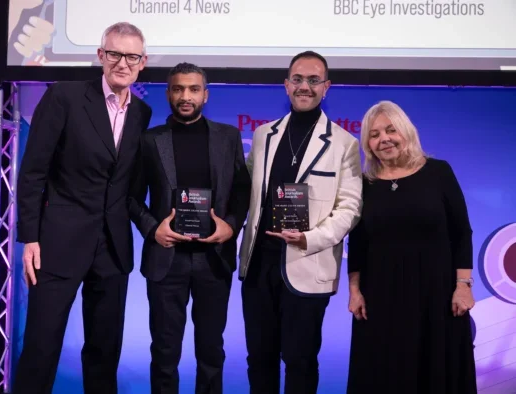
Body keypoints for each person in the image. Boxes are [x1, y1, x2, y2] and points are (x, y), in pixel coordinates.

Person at [13, 22, 152, 394]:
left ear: (143, 62)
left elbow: (130, 185)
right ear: (101, 56)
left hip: (113, 250)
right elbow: (33, 172)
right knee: (41, 349)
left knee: (104, 355)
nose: (123, 62)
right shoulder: (65, 97)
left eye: (132, 56)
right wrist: (30, 237)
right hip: (57, 245)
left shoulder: (142, 113)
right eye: (115, 54)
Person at [238, 51, 363, 394]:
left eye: (313, 80)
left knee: (301, 361)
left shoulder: (344, 143)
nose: (304, 87)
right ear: (286, 84)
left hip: (308, 263)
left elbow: (350, 208)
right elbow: (244, 191)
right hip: (259, 263)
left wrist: (311, 238)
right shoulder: (264, 135)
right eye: (297, 79)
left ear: (327, 87)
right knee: (258, 359)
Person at [128, 62, 251, 394]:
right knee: (164, 353)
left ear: (205, 95)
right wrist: (153, 230)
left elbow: (243, 191)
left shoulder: (229, 137)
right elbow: (131, 197)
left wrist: (232, 226)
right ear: (168, 94)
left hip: (214, 258)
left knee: (212, 351)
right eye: (178, 89)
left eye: (194, 89)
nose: (186, 96)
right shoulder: (149, 141)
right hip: (167, 258)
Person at [346, 100, 477, 394]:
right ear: (367, 142)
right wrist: (354, 291)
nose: (384, 139)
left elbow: (461, 232)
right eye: (375, 134)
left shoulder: (439, 172)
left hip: (438, 294)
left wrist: (463, 285)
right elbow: (357, 240)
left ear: (406, 131)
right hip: (380, 298)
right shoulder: (364, 184)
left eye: (391, 130)